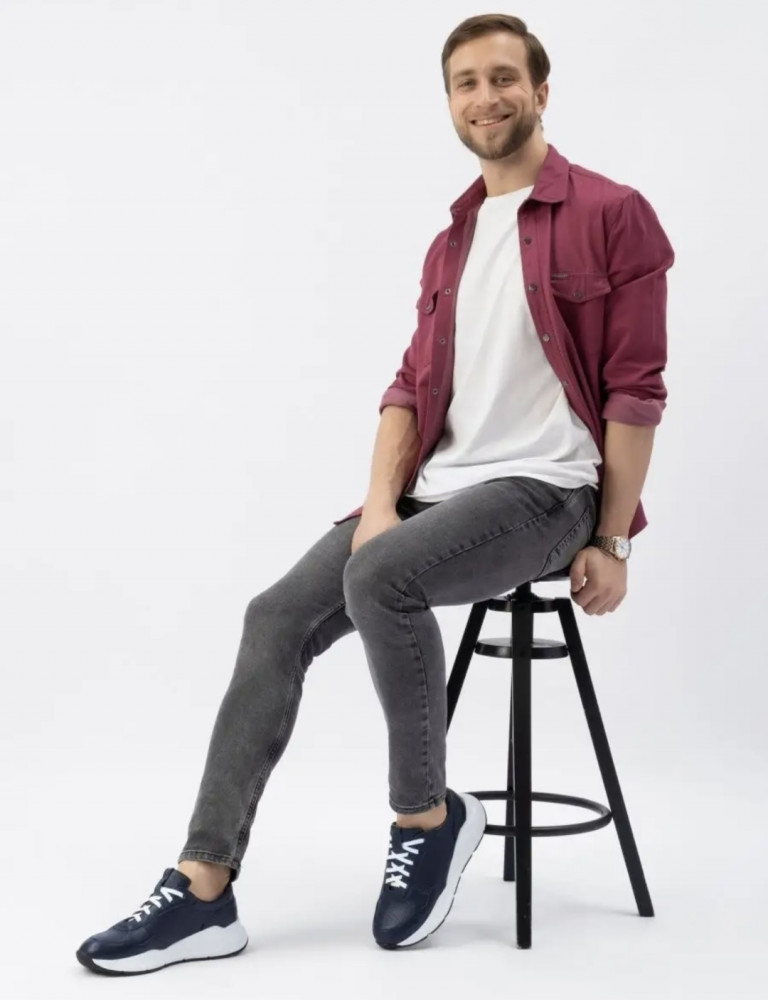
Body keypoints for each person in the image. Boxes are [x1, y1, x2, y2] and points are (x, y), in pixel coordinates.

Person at [76, 12, 674, 976]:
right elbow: (407, 390)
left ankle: (426, 820)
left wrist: (612, 540)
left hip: (549, 494)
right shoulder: (453, 239)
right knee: (274, 616)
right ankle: (203, 889)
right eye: (465, 83)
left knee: (381, 578)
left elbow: (636, 390)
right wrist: (381, 504)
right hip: (437, 491)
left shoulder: (613, 212)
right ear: (450, 102)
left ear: (541, 91)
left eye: (503, 78)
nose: (485, 97)